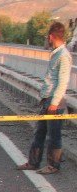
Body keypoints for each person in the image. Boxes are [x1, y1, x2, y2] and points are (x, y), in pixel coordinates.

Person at [16, 21, 72, 174]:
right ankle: (33, 162)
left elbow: (63, 81)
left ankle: (53, 165)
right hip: (47, 99)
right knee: (39, 132)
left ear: (51, 36)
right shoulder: (56, 53)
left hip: (55, 102)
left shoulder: (63, 55)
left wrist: (54, 103)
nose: (47, 40)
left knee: (54, 136)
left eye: (48, 38)